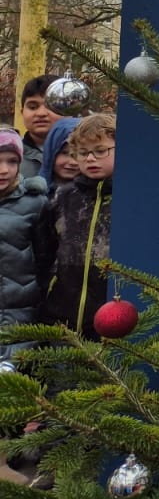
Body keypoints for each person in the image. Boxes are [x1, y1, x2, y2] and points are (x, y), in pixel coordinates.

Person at [38, 113, 116, 337]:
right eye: (82, 152)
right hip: (61, 314)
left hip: (111, 317)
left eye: (100, 151)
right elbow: (44, 251)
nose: (90, 158)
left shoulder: (130, 200)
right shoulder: (63, 198)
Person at [0, 127, 48, 364]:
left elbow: (46, 259)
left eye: (12, 161)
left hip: (21, 318)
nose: (4, 170)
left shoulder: (35, 203)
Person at [17, 75, 62, 180]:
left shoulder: (90, 156)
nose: (41, 113)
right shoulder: (9, 156)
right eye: (33, 107)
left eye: (51, 106)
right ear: (22, 113)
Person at [39, 117, 79, 191]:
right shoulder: (34, 191)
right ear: (50, 153)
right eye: (65, 153)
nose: (73, 162)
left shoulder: (97, 193)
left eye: (80, 154)